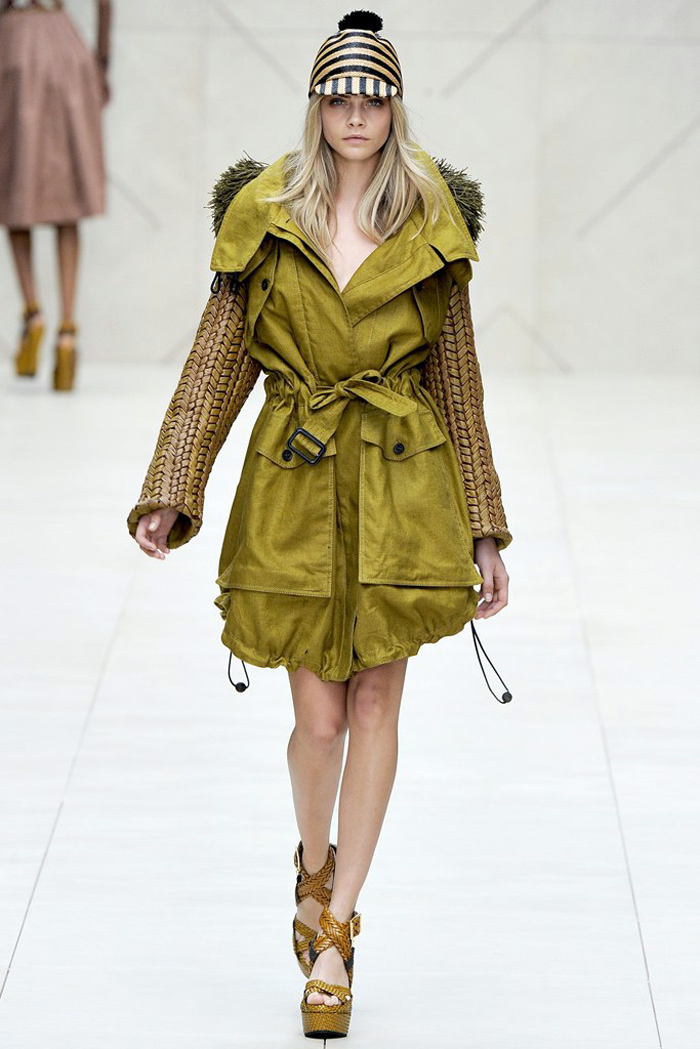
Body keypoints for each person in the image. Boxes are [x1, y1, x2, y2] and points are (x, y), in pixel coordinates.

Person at [127, 9, 512, 1040]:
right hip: (295, 488)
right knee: (321, 720)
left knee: (377, 703)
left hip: (402, 488)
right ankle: (311, 863)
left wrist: (483, 527)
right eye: (338, 96)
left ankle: (336, 932)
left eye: (372, 97)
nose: (355, 114)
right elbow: (217, 362)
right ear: (315, 105)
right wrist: (172, 484)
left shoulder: (430, 220)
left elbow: (459, 385)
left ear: (395, 108)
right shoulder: (263, 214)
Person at [0, 0, 111, 391]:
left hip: (13, 45)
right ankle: (67, 334)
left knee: (13, 189)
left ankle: (33, 313)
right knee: (69, 202)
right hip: (67, 50)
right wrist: (101, 62)